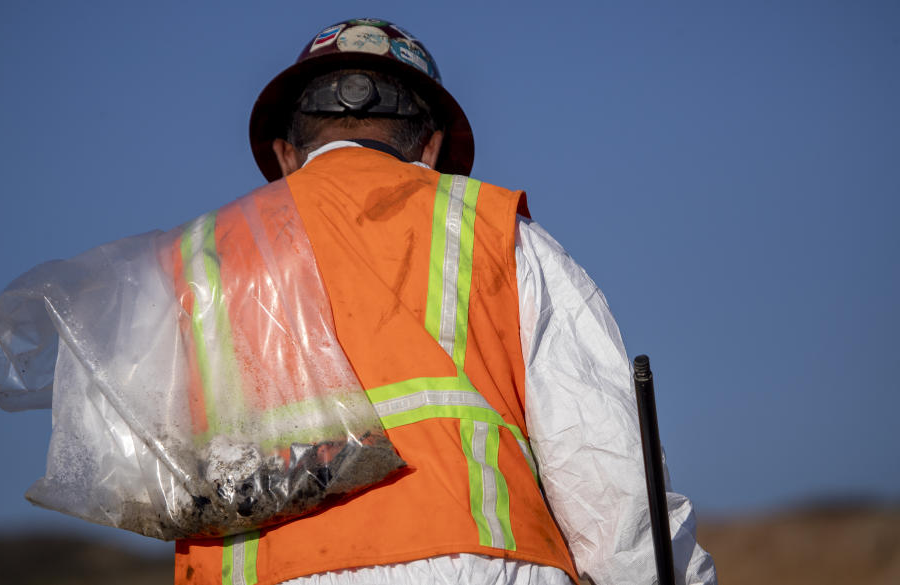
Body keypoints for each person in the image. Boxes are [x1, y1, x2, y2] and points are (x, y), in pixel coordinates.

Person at [173, 18, 718, 585]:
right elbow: (605, 471)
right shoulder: (498, 236)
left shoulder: (195, 265)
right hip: (477, 567)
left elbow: (141, 475)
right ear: (431, 149)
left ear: (285, 156)